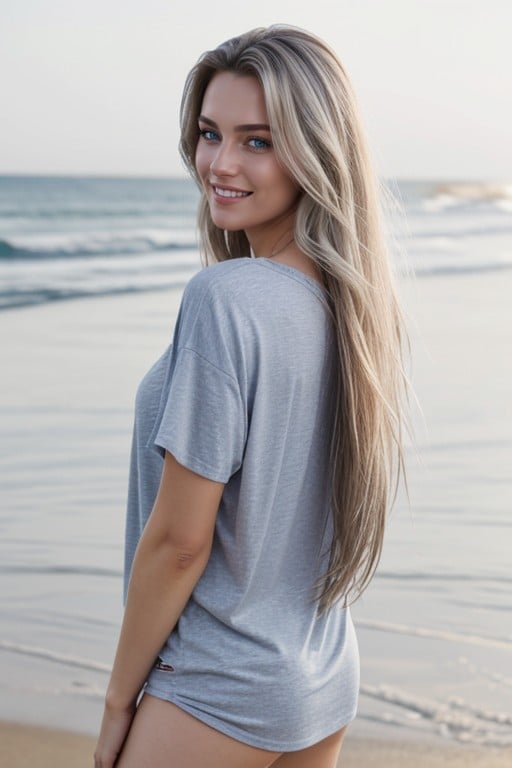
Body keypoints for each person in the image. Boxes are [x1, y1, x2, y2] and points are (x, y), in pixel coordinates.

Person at [94, 24, 409, 768]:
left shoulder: (225, 299)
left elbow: (179, 543)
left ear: (315, 150)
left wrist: (116, 703)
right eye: (209, 134)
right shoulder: (353, 306)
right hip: (320, 677)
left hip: (214, 689)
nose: (221, 164)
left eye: (257, 141)